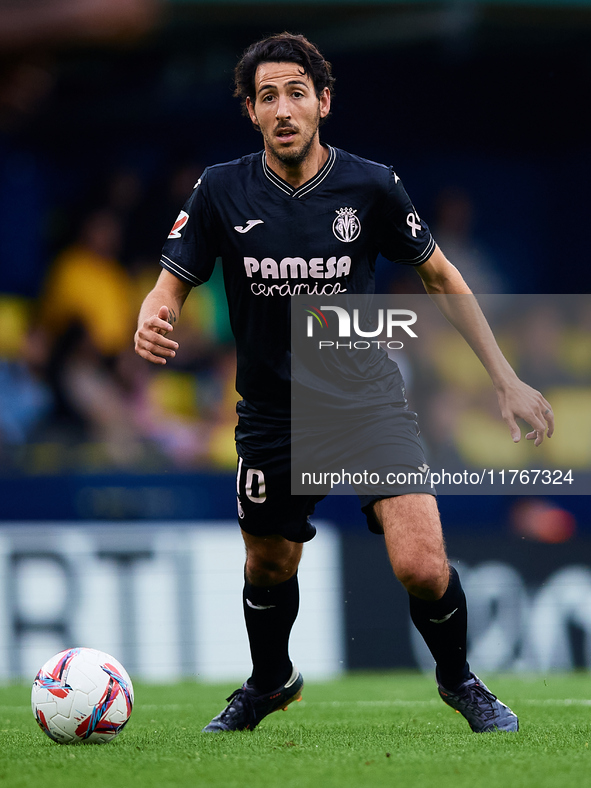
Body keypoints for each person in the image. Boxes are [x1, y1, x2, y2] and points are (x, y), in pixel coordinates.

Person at [135, 33, 554, 734]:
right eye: (267, 95)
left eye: (296, 92)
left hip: (366, 405)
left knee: (421, 564)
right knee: (268, 564)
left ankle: (460, 682)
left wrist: (505, 379)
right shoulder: (219, 189)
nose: (283, 108)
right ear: (250, 111)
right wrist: (154, 317)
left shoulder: (370, 186)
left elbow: (440, 277)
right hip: (272, 412)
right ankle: (269, 682)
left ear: (323, 102)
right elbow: (167, 287)